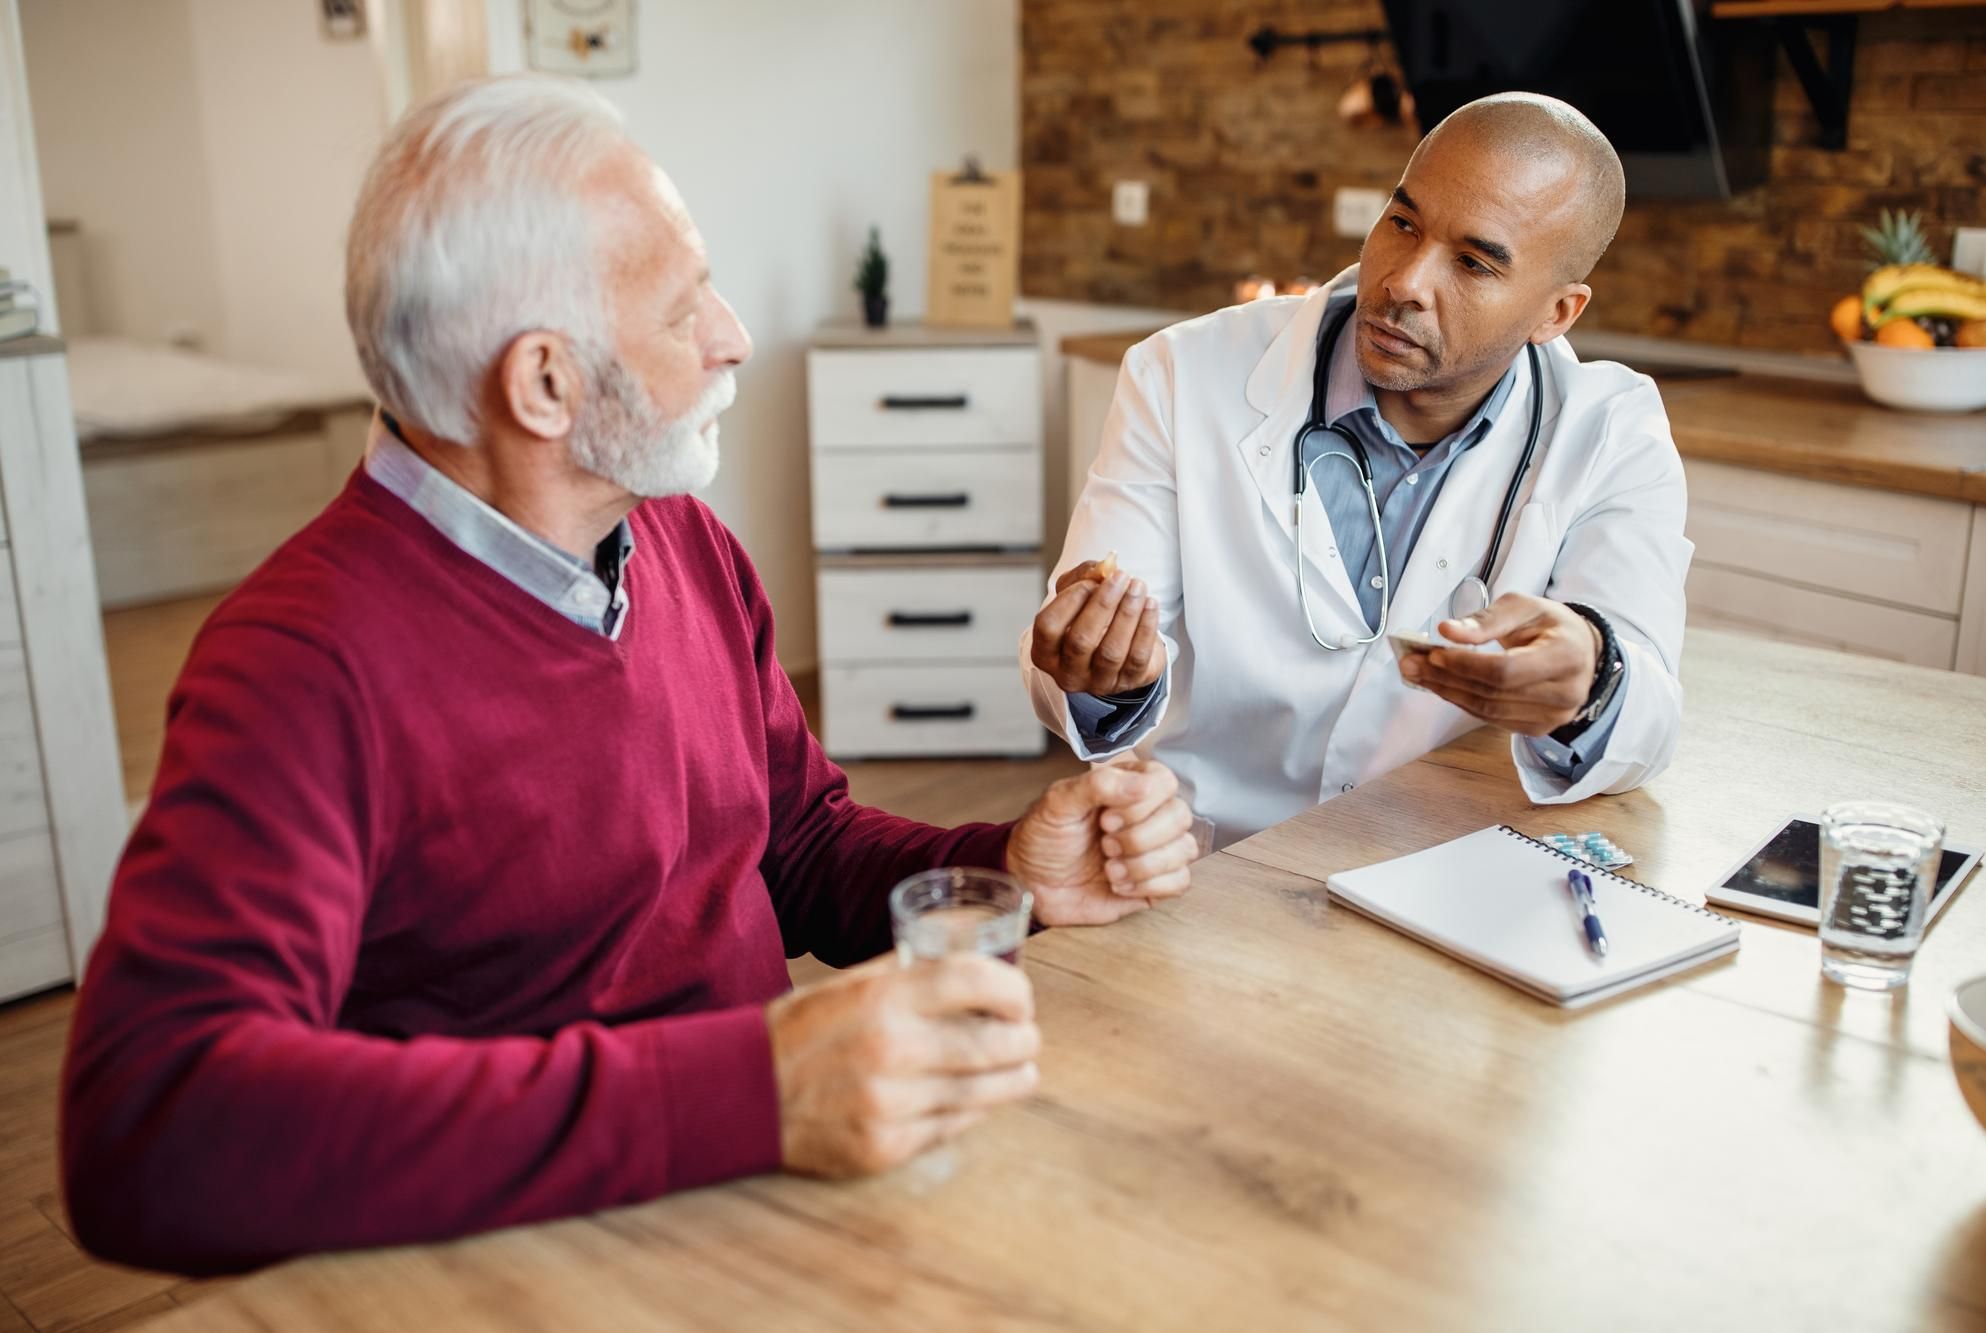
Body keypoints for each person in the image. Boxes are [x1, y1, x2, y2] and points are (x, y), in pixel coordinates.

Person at [59, 75, 1199, 1276]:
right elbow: (153, 1130)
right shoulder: (297, 669)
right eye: (680, 305)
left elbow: (793, 846)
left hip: (773, 1190)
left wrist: (992, 868)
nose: (733, 334)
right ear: (544, 383)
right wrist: (751, 1089)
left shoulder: (677, 538)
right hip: (535, 1266)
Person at [1022, 93, 1693, 847]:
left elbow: (1650, 718)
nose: (1405, 281)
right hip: (1201, 860)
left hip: (1433, 877)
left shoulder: (1610, 432)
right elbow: (1069, 674)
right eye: (1402, 223)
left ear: (1557, 313)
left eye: (1472, 263)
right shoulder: (1180, 373)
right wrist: (1103, 673)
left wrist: (1588, 685)